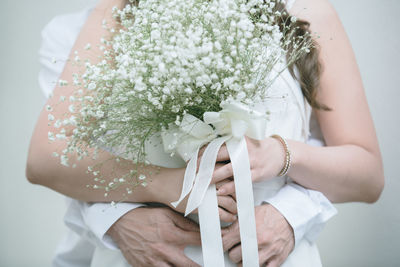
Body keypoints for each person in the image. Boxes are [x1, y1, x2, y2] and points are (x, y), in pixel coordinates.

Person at [26, 0, 384, 266]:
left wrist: (280, 155)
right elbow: (47, 158)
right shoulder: (116, 14)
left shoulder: (308, 12)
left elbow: (367, 175)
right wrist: (168, 185)